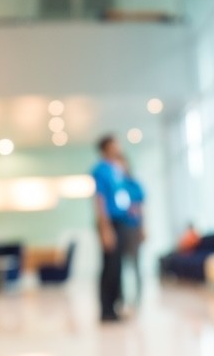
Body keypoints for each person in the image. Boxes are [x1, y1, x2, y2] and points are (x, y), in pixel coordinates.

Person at [90, 134, 130, 322]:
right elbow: (99, 200)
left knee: (117, 267)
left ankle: (114, 308)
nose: (118, 148)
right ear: (106, 148)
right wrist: (105, 228)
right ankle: (106, 311)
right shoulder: (100, 170)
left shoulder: (116, 169)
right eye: (115, 145)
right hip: (109, 223)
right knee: (110, 267)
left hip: (119, 221)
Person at [119, 155, 146, 303]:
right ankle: (122, 297)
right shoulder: (116, 184)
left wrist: (143, 227)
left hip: (134, 228)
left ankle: (138, 298)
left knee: (136, 264)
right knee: (121, 265)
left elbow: (141, 208)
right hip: (120, 229)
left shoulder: (135, 184)